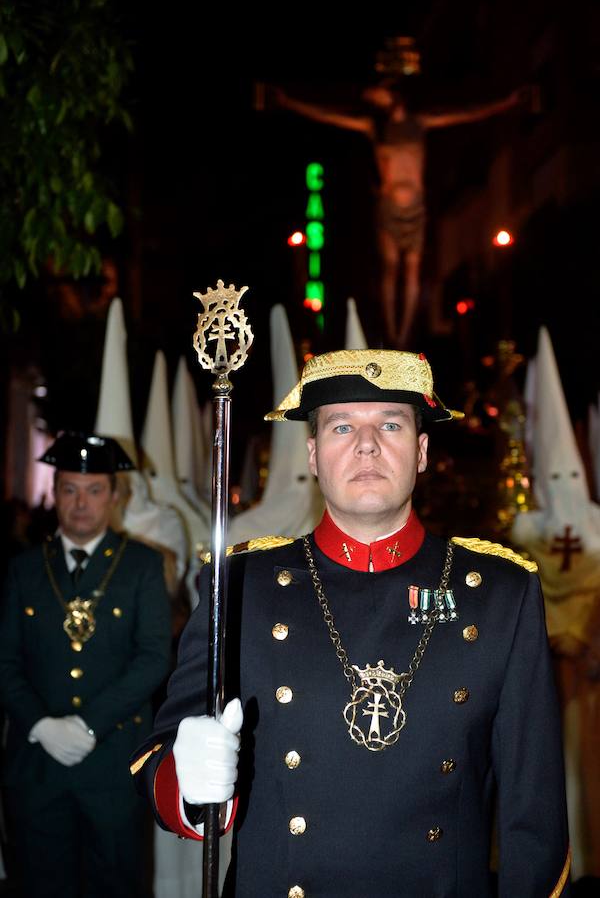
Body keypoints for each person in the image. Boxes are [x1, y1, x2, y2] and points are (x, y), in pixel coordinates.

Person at [131, 349, 571, 897]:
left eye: (391, 424)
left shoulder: (501, 594)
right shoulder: (240, 585)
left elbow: (535, 816)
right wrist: (189, 783)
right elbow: (159, 759)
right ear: (312, 455)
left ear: (422, 451)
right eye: (342, 426)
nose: (367, 444)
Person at [0, 432, 171, 898]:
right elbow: (5, 661)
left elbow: (155, 656)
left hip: (114, 767)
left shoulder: (143, 566)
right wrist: (40, 724)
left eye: (94, 490)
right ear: (53, 493)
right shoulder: (23, 569)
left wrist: (87, 724)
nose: (81, 503)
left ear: (116, 496)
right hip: (37, 770)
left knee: (117, 886)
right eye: (69, 489)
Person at [272, 82, 527, 347]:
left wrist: (506, 103)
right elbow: (331, 117)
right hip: (390, 208)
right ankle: (394, 333)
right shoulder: (376, 129)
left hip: (415, 208)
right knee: (392, 269)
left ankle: (403, 334)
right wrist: (289, 102)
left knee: (412, 270)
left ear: (394, 96)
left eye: (380, 93)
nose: (374, 98)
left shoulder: (419, 123)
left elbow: (466, 114)